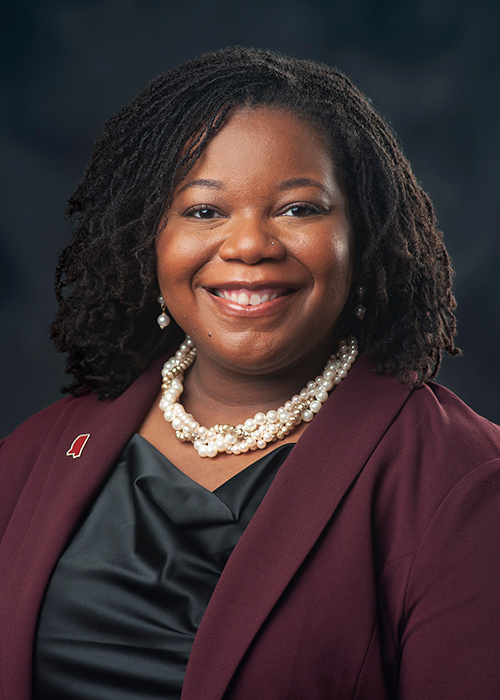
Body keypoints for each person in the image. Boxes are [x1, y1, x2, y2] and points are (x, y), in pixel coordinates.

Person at [0, 46, 499, 700]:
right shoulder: (33, 458)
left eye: (298, 209)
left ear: (364, 235)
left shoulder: (463, 483)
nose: (249, 245)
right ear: (149, 239)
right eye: (204, 210)